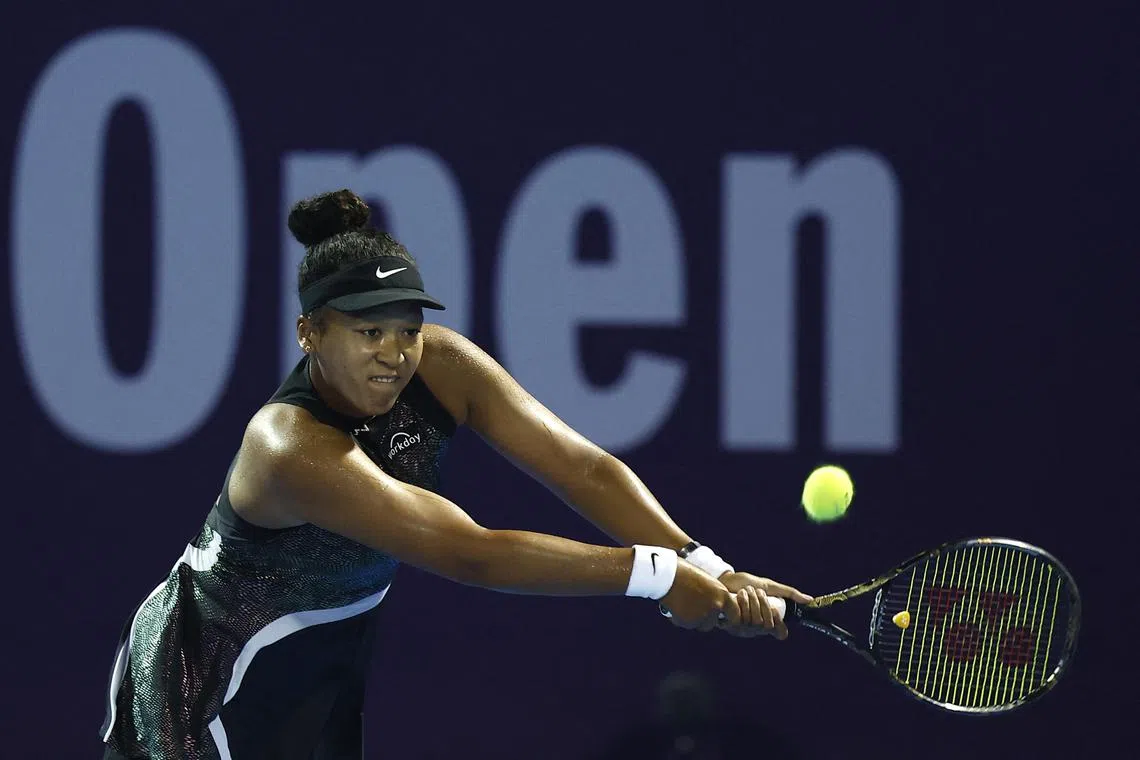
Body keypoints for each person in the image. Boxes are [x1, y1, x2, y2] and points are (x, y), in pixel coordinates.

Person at [99, 189, 812, 760]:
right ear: (309, 332)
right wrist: (656, 577)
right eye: (367, 331)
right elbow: (471, 553)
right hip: (197, 688)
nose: (394, 352)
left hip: (315, 671)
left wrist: (706, 565)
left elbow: (581, 468)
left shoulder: (442, 366)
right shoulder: (289, 446)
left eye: (407, 328)